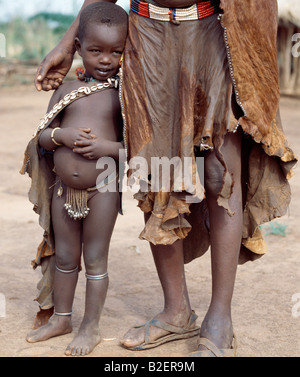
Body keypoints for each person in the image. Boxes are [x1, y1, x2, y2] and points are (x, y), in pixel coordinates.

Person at [32, 0, 297, 357]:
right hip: (147, 33)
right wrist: (67, 44)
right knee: (155, 168)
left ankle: (220, 318)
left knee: (220, 174)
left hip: (217, 30)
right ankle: (176, 311)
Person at [21, 2, 128, 356]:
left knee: (95, 258)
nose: (105, 60)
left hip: (103, 189)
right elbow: (41, 135)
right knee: (66, 257)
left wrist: (105, 146)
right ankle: (62, 318)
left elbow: (135, 150)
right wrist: (61, 138)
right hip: (63, 189)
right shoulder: (67, 90)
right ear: (78, 47)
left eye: (116, 52)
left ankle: (91, 327)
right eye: (96, 50)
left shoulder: (125, 96)